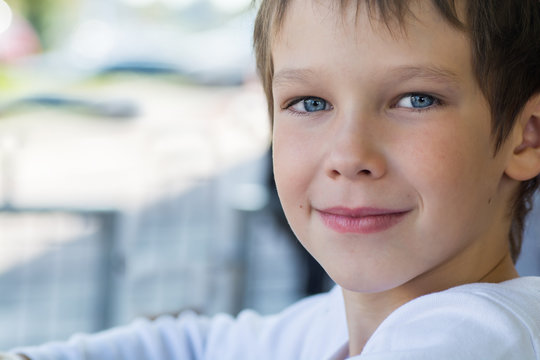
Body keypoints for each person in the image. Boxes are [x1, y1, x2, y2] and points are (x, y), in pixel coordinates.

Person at [3, 0, 540, 358]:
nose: (349, 154)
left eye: (415, 99)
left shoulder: (475, 338)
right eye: (309, 102)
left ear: (527, 136)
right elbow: (190, 346)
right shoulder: (326, 325)